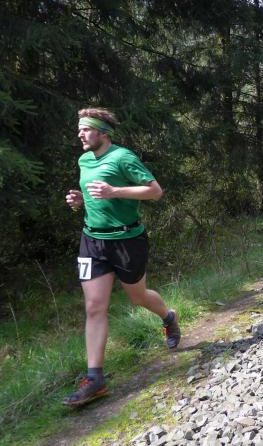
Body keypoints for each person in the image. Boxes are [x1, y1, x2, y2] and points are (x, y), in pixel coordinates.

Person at [63, 107, 180, 407]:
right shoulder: (84, 160)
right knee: (94, 307)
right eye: (79, 129)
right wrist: (80, 201)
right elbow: (95, 197)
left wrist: (115, 191)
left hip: (127, 240)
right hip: (92, 241)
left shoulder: (123, 158)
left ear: (103, 132)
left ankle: (168, 317)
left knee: (138, 297)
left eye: (86, 129)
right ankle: (95, 379)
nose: (80, 134)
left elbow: (154, 192)